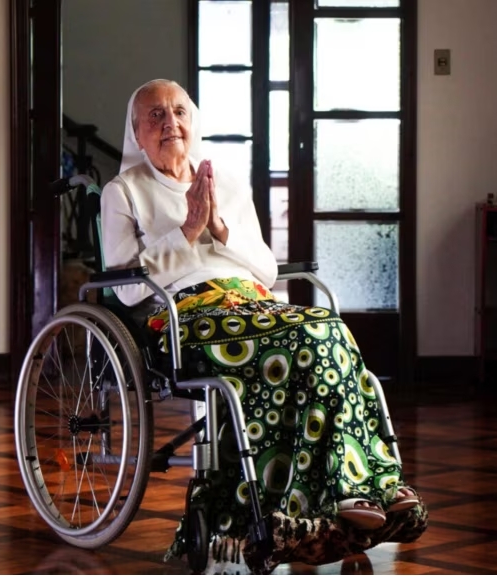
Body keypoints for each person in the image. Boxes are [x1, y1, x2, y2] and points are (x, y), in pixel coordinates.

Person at [100, 79, 426, 570]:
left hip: (251, 305)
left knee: (325, 328)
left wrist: (220, 229)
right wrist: (187, 230)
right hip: (187, 316)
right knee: (307, 334)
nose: (171, 123)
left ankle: (367, 485)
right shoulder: (122, 191)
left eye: (180, 112)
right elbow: (126, 288)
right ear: (136, 132)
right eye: (156, 116)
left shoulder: (226, 182)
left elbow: (266, 270)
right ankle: (336, 492)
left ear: (194, 121)